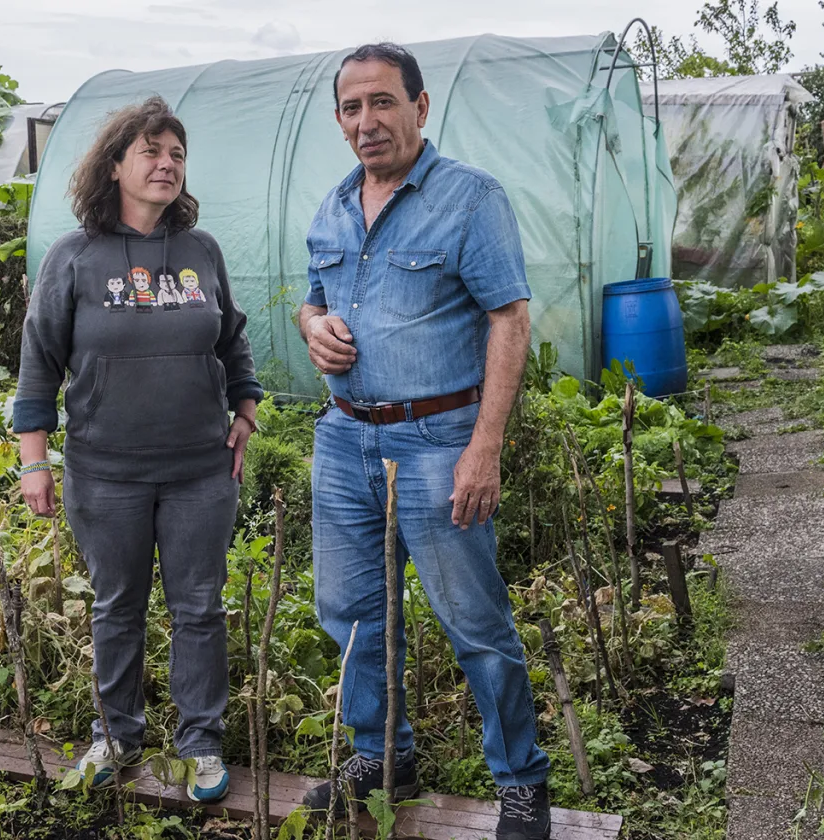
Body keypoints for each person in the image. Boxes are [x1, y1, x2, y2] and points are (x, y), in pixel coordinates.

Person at [297, 43, 552, 840]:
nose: (366, 122)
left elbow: (509, 319)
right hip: (345, 443)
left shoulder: (471, 199)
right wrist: (314, 327)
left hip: (439, 439)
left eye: (381, 102)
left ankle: (520, 781)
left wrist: (485, 447)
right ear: (339, 120)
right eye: (351, 108)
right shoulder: (333, 206)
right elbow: (312, 299)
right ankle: (383, 757)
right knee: (351, 615)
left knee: (473, 622)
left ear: (419, 106)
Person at [12, 96, 262, 804]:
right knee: (117, 606)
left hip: (198, 471)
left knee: (199, 606)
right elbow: (39, 362)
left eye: (177, 154)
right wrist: (35, 459)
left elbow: (232, 337)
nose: (166, 164)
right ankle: (117, 734)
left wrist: (244, 408)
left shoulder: (200, 251)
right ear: (115, 165)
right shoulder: (75, 257)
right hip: (107, 471)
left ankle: (200, 743)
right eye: (151, 151)